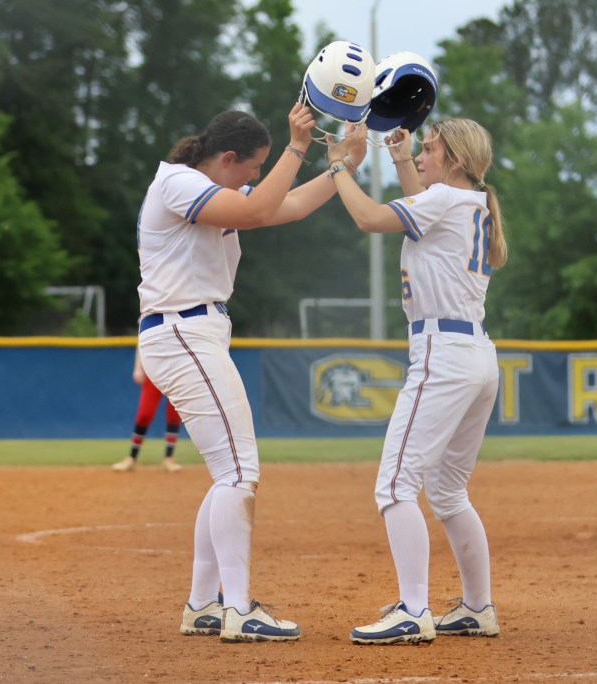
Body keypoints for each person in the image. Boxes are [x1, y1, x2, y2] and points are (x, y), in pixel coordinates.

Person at [136, 104, 367, 643]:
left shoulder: (205, 188)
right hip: (183, 331)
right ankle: (238, 610)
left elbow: (289, 205)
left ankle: (204, 605)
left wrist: (342, 168)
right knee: (239, 472)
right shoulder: (178, 183)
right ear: (227, 157)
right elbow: (259, 210)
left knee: (228, 473)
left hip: (193, 332)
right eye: (253, 165)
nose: (257, 175)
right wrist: (297, 146)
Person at [326, 119, 506, 644]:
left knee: (395, 485)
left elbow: (369, 218)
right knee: (448, 491)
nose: (422, 154)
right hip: (477, 354)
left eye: (430, 148)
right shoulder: (469, 201)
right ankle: (477, 607)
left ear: (455, 160)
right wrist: (403, 159)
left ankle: (413, 610)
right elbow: (422, 213)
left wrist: (338, 166)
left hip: (441, 354)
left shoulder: (445, 199)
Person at [112, 349, 184, 473]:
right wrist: (138, 367)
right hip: (154, 370)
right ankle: (131, 458)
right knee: (144, 415)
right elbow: (141, 343)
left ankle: (169, 458)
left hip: (177, 371)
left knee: (174, 415)